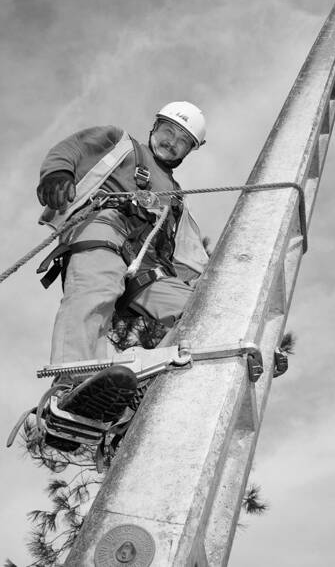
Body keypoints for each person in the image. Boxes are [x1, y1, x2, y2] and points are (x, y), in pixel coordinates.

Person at [35, 101, 210, 433]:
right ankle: (72, 386)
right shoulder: (121, 144)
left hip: (147, 265)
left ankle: (141, 396)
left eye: (182, 140)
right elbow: (73, 149)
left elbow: (192, 261)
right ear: (154, 128)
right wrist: (58, 173)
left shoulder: (176, 198)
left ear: (189, 150)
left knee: (200, 313)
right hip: (105, 232)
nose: (171, 142)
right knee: (94, 295)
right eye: (168, 132)